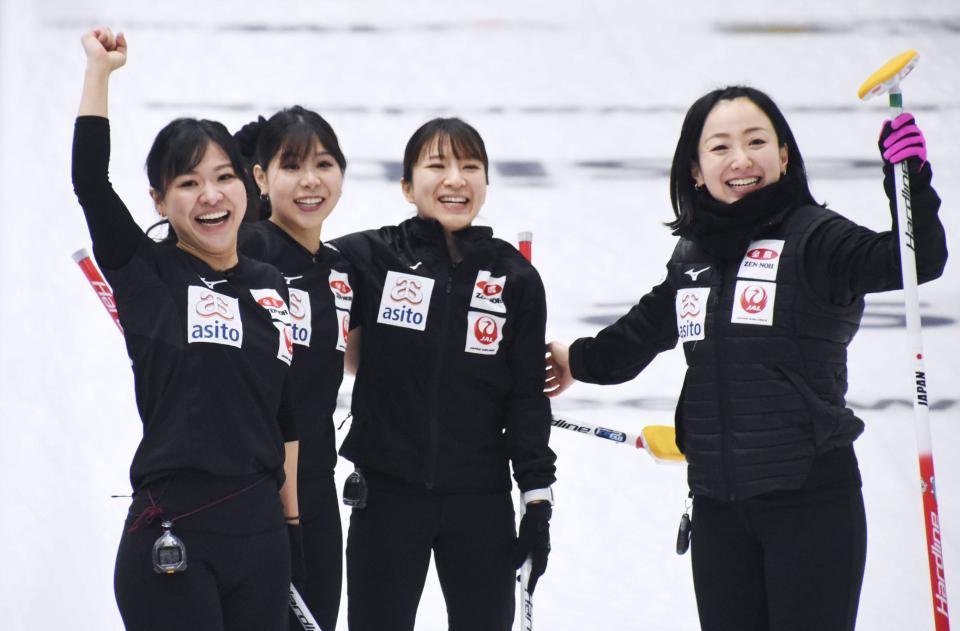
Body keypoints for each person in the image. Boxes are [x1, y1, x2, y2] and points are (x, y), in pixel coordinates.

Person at [544, 86, 946, 631]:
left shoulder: (817, 239)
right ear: (694, 170)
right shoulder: (693, 258)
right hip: (717, 509)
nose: (740, 159)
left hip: (809, 503)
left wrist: (910, 180)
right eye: (720, 147)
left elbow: (913, 258)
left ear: (784, 156)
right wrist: (573, 361)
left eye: (757, 141)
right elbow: (636, 339)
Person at [72, 28, 302, 631]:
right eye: (187, 182)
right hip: (175, 536)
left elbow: (281, 414)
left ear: (247, 186)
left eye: (223, 176)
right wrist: (100, 71)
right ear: (158, 199)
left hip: (261, 535)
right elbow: (91, 184)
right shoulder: (149, 275)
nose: (210, 195)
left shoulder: (270, 283)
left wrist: (293, 525)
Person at [330, 117, 557, 631]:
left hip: (480, 503)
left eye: (470, 166)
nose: (456, 179)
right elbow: (283, 253)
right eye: (437, 165)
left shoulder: (515, 279)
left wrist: (537, 502)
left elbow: (527, 399)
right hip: (386, 498)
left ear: (486, 183)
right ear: (408, 185)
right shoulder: (369, 258)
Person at [232, 106, 352, 631]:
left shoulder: (343, 267)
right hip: (248, 487)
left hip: (318, 485)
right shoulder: (242, 249)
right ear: (260, 178)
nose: (310, 181)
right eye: (291, 166)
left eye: (324, 164)